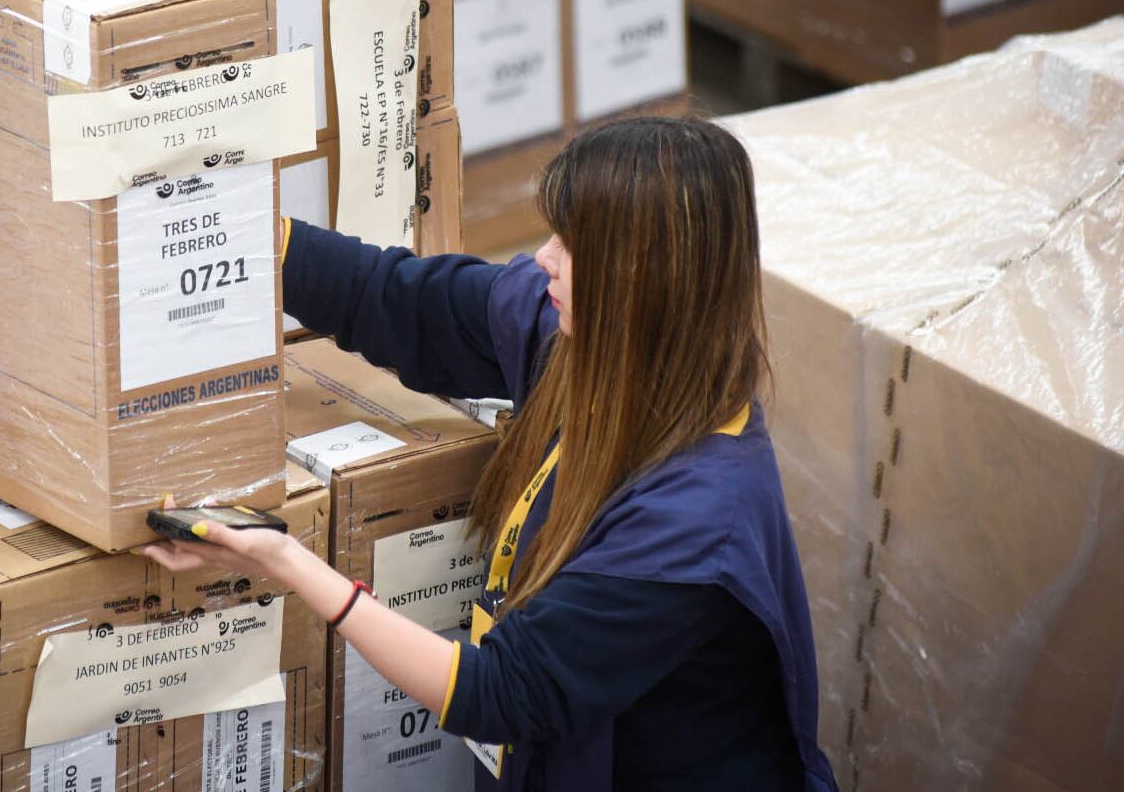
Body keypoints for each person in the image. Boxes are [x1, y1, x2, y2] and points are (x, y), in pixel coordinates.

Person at [144, 118, 839, 792]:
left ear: (642, 281)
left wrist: (288, 562)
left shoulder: (697, 519)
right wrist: (245, 235)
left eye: (573, 245)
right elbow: (408, 302)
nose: (543, 258)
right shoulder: (588, 347)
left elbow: (500, 692)